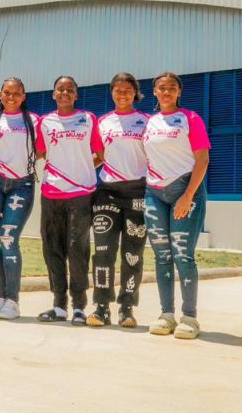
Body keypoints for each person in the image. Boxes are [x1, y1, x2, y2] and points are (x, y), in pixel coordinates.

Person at [142, 71, 211, 340]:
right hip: (154, 193)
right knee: (162, 256)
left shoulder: (190, 119)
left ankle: (190, 317)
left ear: (179, 91)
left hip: (184, 190)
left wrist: (188, 195)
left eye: (172, 87)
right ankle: (166, 315)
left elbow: (202, 160)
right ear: (155, 92)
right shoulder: (149, 122)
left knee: (183, 255)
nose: (167, 91)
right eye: (162, 87)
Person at [37, 76, 104, 326]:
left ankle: (78, 306)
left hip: (81, 194)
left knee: (78, 249)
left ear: (76, 94)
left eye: (70, 90)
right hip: (51, 193)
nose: (65, 93)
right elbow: (41, 153)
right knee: (52, 249)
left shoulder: (88, 119)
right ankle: (59, 305)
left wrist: (82, 170)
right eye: (60, 89)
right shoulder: (45, 122)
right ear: (53, 94)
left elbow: (100, 154)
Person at [0, 78, 44, 320]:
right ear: (1, 94)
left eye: (16, 93)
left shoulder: (34, 121)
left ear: (24, 96)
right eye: (7, 92)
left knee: (9, 239)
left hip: (21, 185)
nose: (11, 97)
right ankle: (1, 298)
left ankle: (13, 301)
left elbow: (41, 151)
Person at [88, 72, 149, 328]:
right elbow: (97, 156)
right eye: (117, 90)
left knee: (132, 253)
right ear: (111, 92)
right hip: (107, 193)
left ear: (135, 93)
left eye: (127, 90)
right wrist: (76, 170)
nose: (122, 94)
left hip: (138, 192)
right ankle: (101, 307)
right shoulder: (102, 122)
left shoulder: (147, 121)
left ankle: (127, 308)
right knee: (103, 251)